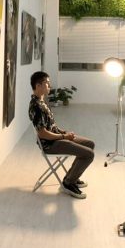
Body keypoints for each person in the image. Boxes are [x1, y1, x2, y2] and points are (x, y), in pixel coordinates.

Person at [29, 71, 94, 199]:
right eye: (47, 83)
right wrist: (64, 137)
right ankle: (68, 183)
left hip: (56, 138)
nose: (49, 86)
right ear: (38, 85)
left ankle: (71, 177)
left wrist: (62, 131)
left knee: (90, 144)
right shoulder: (36, 106)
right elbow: (42, 134)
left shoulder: (42, 101)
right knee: (89, 154)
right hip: (50, 144)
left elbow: (50, 125)